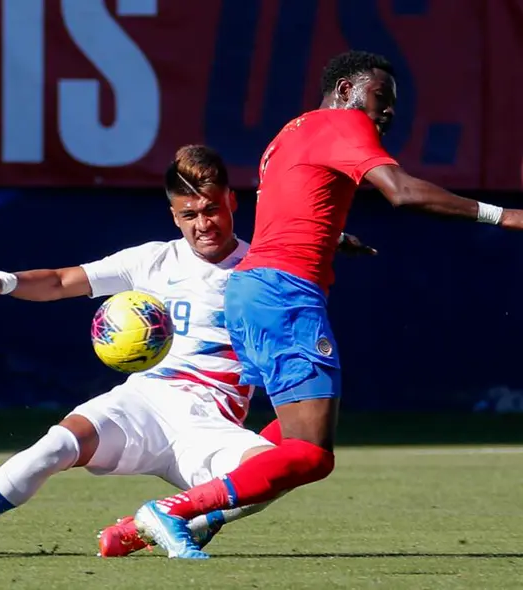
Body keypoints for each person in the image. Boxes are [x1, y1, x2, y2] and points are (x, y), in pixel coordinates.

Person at [0, 145, 375, 559]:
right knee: (55, 446)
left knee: (273, 472)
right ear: (173, 214)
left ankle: (138, 530)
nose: (203, 224)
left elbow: (301, 242)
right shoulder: (152, 260)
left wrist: (331, 241)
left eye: (211, 210)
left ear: (231, 201)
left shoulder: (261, 267)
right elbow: (61, 281)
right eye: (189, 215)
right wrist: (7, 281)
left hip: (211, 420)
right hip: (143, 402)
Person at [133, 50, 523, 558]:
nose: (385, 113)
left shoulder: (288, 135)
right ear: (345, 90)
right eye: (380, 98)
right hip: (283, 294)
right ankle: (175, 510)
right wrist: (506, 216)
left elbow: (287, 204)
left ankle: (141, 528)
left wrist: (330, 236)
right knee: (312, 453)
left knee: (297, 437)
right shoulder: (344, 123)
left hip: (253, 290)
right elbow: (402, 193)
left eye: (391, 106)